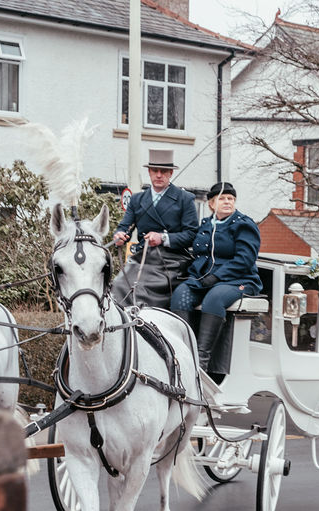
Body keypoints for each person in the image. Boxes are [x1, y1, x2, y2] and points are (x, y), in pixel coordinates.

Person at [171, 182, 262, 371]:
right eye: (222, 198)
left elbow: (245, 259)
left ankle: (201, 361)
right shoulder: (206, 224)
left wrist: (217, 276)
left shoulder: (244, 224)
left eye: (231, 198)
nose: (227, 202)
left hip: (239, 279)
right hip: (204, 279)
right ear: (212, 204)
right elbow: (198, 253)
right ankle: (183, 353)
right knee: (180, 294)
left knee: (214, 299)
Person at [110, 149, 198, 308]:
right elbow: (124, 227)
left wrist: (163, 238)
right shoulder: (137, 199)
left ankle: (146, 322)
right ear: (149, 172)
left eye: (163, 171)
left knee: (141, 289)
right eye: (154, 171)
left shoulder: (184, 199)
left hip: (172, 261)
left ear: (170, 173)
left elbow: (191, 235)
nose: (158, 175)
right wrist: (120, 236)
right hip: (142, 259)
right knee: (118, 285)